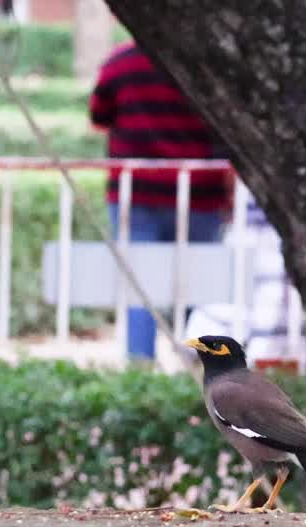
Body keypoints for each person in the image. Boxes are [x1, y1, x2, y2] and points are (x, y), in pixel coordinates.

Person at [89, 40, 232, 361]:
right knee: (199, 287)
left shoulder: (120, 63)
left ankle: (140, 367)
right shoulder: (205, 63)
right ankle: (200, 368)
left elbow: (98, 116)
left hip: (135, 194)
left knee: (140, 288)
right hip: (200, 195)